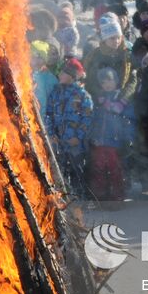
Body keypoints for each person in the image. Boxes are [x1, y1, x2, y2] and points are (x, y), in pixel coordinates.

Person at [45, 58, 94, 194]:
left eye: (63, 72)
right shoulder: (55, 93)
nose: (60, 75)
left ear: (72, 76)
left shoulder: (82, 95)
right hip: (58, 141)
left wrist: (78, 137)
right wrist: (51, 134)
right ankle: (62, 196)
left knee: (76, 169)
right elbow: (48, 114)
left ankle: (79, 197)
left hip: (75, 143)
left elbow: (87, 118)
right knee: (59, 170)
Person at [89, 67, 132, 201]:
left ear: (116, 81)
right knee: (99, 168)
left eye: (110, 80)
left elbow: (129, 120)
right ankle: (101, 196)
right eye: (103, 82)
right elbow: (94, 119)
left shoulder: (121, 99)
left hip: (115, 141)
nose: (107, 84)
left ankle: (117, 196)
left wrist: (127, 138)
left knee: (115, 169)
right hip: (100, 141)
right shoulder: (98, 100)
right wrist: (92, 136)